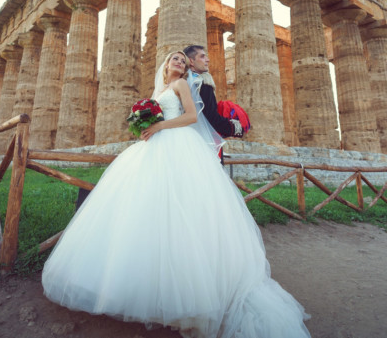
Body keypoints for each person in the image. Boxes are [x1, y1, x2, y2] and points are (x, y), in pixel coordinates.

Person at [42, 51, 311, 338]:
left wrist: (160, 125)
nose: (179, 63)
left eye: (183, 60)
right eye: (175, 59)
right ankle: (137, 283)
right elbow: (153, 117)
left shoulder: (182, 86)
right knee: (143, 209)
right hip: (153, 149)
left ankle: (186, 293)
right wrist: (144, 126)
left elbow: (192, 116)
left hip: (179, 146)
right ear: (165, 63)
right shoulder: (157, 91)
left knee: (181, 208)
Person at [183, 45, 244, 140]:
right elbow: (211, 117)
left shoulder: (181, 82)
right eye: (202, 56)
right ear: (191, 61)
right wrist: (237, 127)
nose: (208, 60)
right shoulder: (203, 82)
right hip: (201, 138)